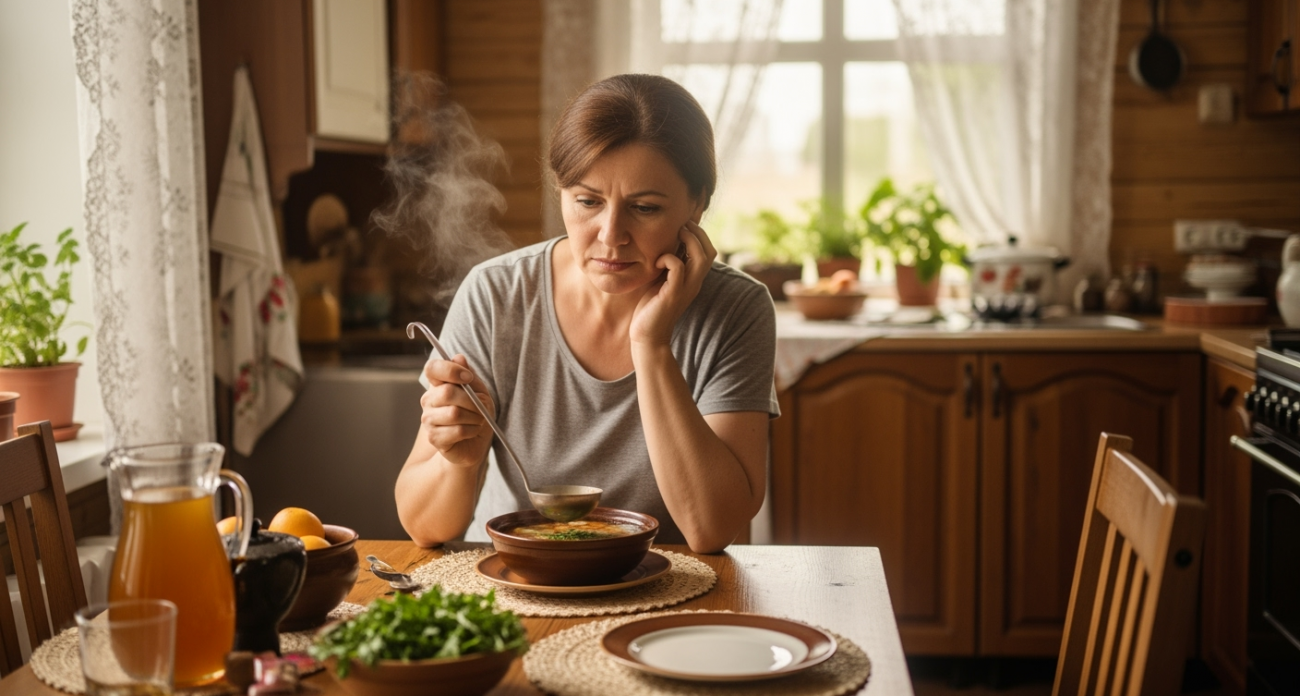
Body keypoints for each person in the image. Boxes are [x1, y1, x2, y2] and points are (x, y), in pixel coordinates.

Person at [395, 74, 779, 553]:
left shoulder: (737, 310)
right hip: (515, 586)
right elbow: (424, 528)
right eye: (587, 201)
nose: (611, 234)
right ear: (560, 190)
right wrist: (460, 461)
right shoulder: (496, 294)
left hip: (666, 592)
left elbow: (712, 530)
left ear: (697, 204)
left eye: (644, 207)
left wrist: (653, 345)